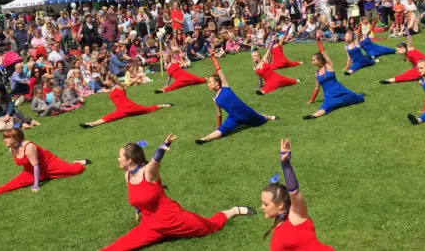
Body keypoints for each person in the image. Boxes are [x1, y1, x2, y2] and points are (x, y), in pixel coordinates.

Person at [102, 134, 256, 250]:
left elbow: (155, 161)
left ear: (129, 160)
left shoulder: (148, 173)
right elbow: (137, 199)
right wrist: (138, 210)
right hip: (150, 225)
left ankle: (234, 210)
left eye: (120, 156)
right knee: (118, 247)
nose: (118, 158)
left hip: (172, 218)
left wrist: (161, 149)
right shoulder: (127, 176)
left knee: (211, 227)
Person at [261, 139, 334, 251]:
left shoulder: (296, 216)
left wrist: (286, 166)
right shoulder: (280, 221)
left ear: (280, 205)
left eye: (266, 204)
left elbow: (294, 192)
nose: (262, 207)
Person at [0, 129, 89, 199]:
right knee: (14, 183)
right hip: (30, 171)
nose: (4, 140)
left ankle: (79, 162)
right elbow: (30, 166)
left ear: (15, 139)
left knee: (76, 170)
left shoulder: (29, 147)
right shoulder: (11, 148)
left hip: (50, 165)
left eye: (7, 138)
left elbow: (36, 165)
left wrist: (36, 185)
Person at [195, 52, 278, 144]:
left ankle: (269, 117)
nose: (208, 84)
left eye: (210, 82)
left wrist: (213, 58)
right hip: (233, 117)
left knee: (260, 119)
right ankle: (205, 139)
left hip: (245, 111)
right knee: (222, 130)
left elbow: (219, 69)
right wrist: (219, 126)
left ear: (217, 83)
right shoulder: (216, 99)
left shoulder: (225, 86)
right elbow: (219, 114)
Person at [79, 75, 173, 128]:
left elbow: (122, 85)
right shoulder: (111, 89)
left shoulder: (118, 87)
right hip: (122, 109)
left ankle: (164, 105)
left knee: (148, 109)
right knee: (109, 117)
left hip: (129, 107)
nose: (105, 82)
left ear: (111, 80)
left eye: (106, 80)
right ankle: (90, 124)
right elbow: (99, 88)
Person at [304, 38, 364, 120]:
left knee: (360, 99)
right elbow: (316, 88)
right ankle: (313, 115)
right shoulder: (316, 74)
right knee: (325, 107)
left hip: (340, 91)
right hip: (329, 95)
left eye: (314, 60)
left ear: (320, 60)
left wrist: (319, 43)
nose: (312, 62)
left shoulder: (329, 66)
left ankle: (357, 95)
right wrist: (312, 100)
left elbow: (323, 53)